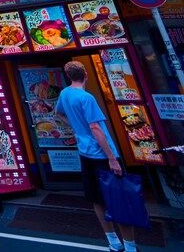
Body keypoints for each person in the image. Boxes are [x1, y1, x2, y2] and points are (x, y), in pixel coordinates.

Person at [56, 61, 136, 252]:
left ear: (68, 76)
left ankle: (113, 242)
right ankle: (131, 246)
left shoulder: (64, 94)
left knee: (96, 198)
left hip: (84, 153)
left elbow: (58, 113)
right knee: (119, 199)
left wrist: (76, 129)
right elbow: (95, 127)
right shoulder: (86, 97)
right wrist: (112, 158)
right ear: (85, 73)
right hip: (101, 155)